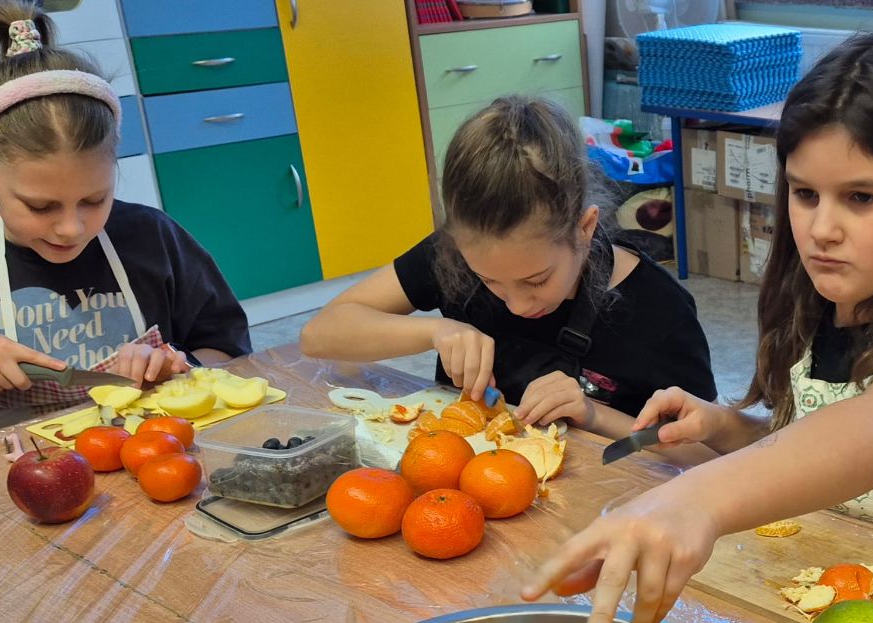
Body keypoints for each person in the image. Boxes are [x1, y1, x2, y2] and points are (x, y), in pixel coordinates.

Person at [523, 32, 873, 623]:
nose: (821, 229)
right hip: (832, 592)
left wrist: (699, 499)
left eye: (861, 197)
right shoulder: (822, 303)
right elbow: (812, 446)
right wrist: (725, 427)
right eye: (805, 193)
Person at [300, 95, 717, 438]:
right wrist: (435, 331)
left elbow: (710, 457)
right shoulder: (456, 254)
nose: (516, 304)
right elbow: (319, 335)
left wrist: (595, 415)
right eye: (487, 280)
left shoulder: (659, 310)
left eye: (536, 280)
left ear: (584, 229)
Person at [0, 1, 251, 444]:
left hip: (153, 450)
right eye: (40, 206)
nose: (71, 228)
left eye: (94, 199)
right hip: (15, 465)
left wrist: (183, 367)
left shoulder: (152, 237)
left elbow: (228, 349)